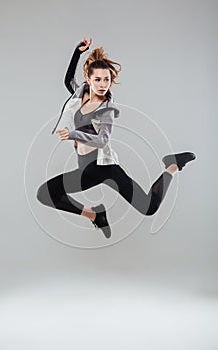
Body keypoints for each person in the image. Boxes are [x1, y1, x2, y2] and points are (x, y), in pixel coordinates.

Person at [36, 37, 196, 239]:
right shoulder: (79, 95)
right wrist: (78, 52)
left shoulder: (107, 110)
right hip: (84, 167)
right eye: (98, 79)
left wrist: (73, 134)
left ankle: (171, 166)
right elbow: (68, 80)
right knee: (44, 194)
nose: (103, 85)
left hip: (103, 169)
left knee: (149, 207)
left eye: (107, 80)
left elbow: (102, 140)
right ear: (88, 78)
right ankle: (95, 215)